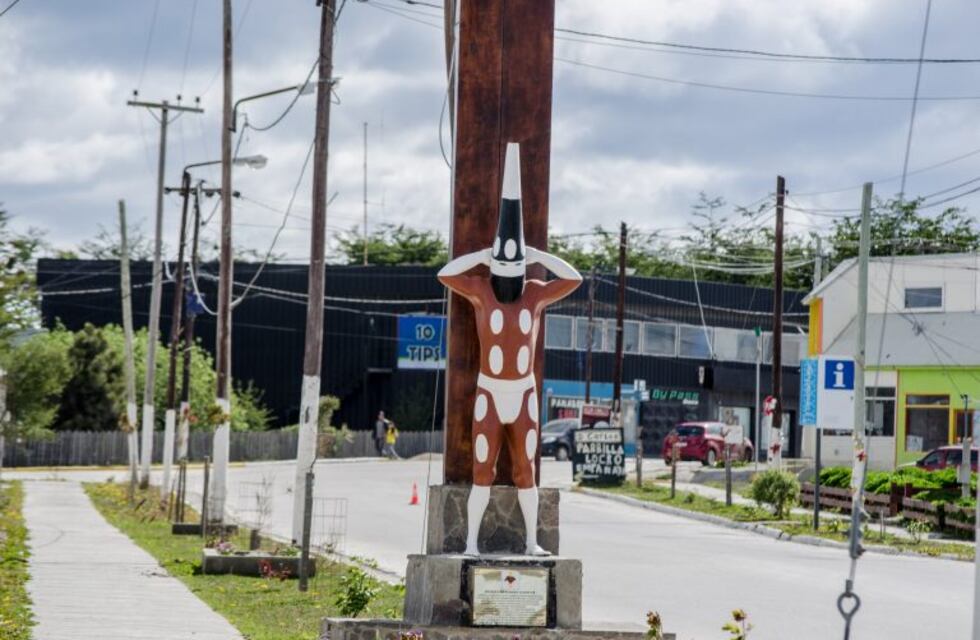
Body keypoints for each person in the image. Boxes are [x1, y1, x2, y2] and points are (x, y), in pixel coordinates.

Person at [437, 142, 582, 556]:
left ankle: (533, 542)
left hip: (523, 394)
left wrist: (538, 255)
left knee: (525, 470)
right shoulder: (481, 290)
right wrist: (482, 255)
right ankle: (469, 544)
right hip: (489, 391)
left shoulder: (535, 294)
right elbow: (445, 274)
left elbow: (573, 280)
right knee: (482, 469)